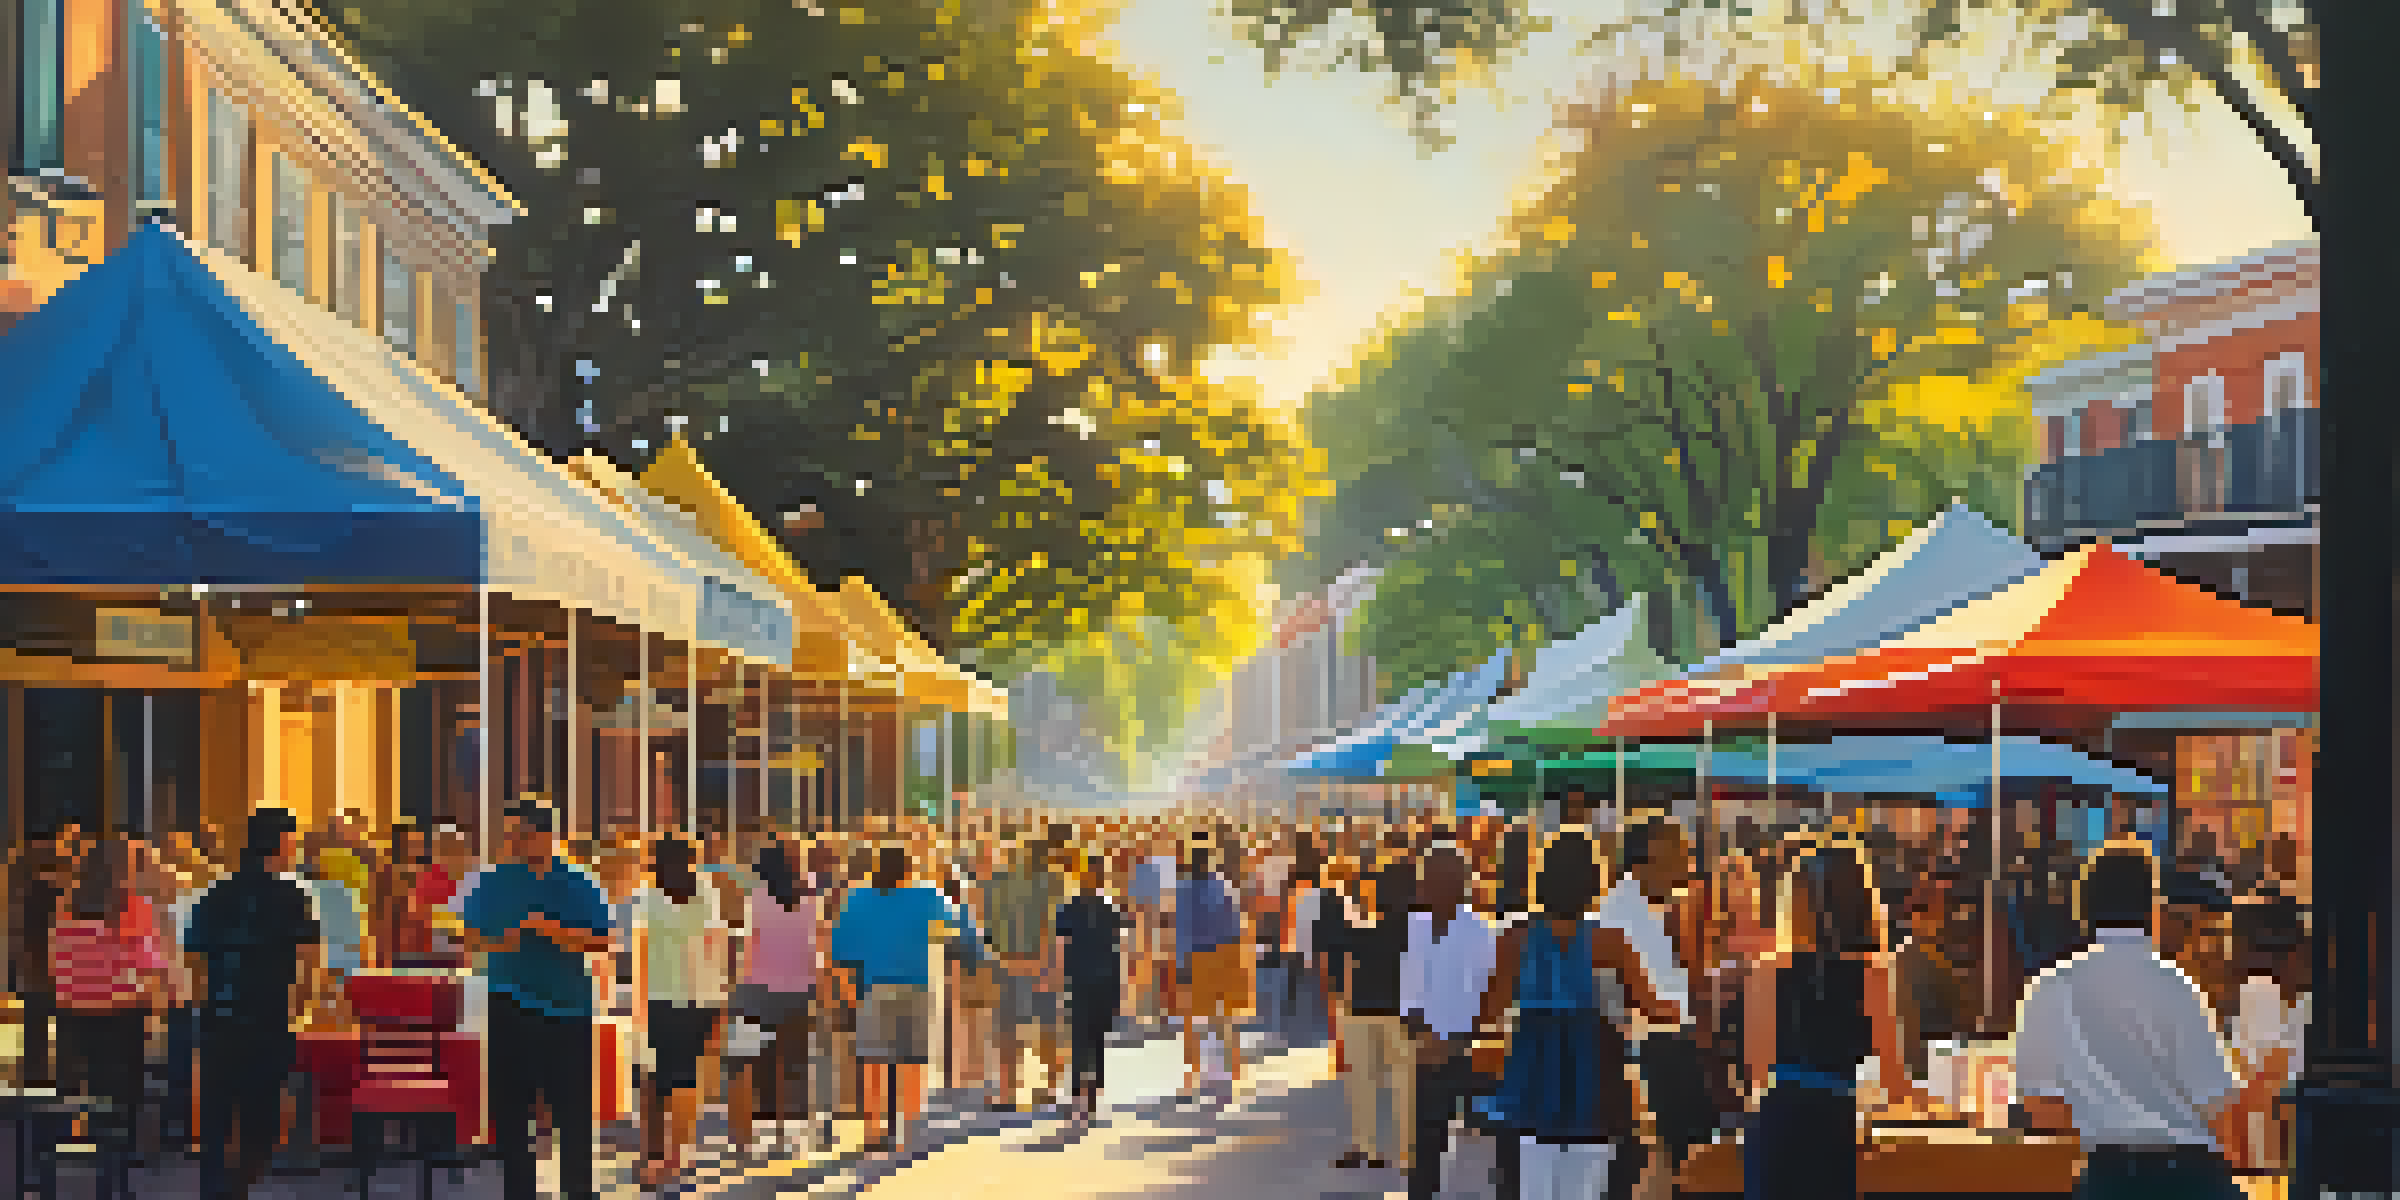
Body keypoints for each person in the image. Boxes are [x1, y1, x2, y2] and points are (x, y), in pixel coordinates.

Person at [2015, 841, 2270, 1199]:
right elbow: (2222, 1106)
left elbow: (2043, 1110)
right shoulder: (2176, 985)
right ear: (2153, 908)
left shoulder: (2047, 989)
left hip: (2100, 1177)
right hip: (2186, 1176)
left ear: (2082, 908)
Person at [1475, 830, 1677, 1200]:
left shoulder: (1515, 938)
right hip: (1594, 1073)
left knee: (1532, 1184)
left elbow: (1489, 1013)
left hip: (1531, 1074)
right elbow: (1656, 1011)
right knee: (1587, 1184)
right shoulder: (1610, 943)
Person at [1740, 835, 1929, 1200]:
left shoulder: (1767, 970)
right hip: (1833, 1120)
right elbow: (1892, 1077)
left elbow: (1757, 1070)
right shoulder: (1870, 974)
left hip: (1776, 1122)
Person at [457, 799, 614, 1200]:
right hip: (509, 1001)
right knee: (512, 1109)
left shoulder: (578, 881)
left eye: (522, 834)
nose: (513, 842)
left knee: (572, 1110)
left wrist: (552, 931)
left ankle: (577, 1191)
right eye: (510, 835)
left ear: (547, 836)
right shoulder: (492, 880)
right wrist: (501, 941)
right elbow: (471, 938)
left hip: (567, 1007)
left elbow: (602, 939)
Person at [182, 809, 322, 1200]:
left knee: (216, 1119)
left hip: (218, 1021)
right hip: (268, 1020)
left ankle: (216, 1191)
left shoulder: (214, 894)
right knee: (260, 1118)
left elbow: (193, 962)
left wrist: (203, 1006)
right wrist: (297, 1008)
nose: (296, 847)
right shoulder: (291, 897)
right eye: (293, 839)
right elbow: (310, 962)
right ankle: (241, 1187)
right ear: (279, 842)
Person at [1595, 819, 1712, 1200]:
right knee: (1679, 1160)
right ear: (1650, 857)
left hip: (1667, 1048)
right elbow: (1625, 998)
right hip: (1653, 1053)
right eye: (1679, 852)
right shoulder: (1622, 912)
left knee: (1688, 1160)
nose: (1688, 861)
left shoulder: (1652, 908)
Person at [828, 843, 953, 1154]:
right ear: (909, 869)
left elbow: (839, 954)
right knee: (911, 1061)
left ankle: (874, 1131)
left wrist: (849, 996)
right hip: (915, 987)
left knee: (873, 1062)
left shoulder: (857, 899)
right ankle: (908, 1132)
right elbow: (948, 933)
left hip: (873, 988)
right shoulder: (925, 896)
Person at [50, 837, 170, 1155]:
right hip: (122, 1008)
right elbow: (150, 962)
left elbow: (57, 959)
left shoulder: (66, 904)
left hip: (73, 1008)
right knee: (122, 1087)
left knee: (80, 1082)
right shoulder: (135, 906)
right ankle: (117, 1155)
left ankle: (72, 1146)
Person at [629, 832, 730, 1184]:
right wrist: (720, 1003)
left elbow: (639, 954)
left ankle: (651, 1161)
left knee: (652, 1084)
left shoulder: (646, 896)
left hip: (655, 999)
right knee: (686, 1079)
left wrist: (637, 1006)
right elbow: (717, 951)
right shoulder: (706, 895)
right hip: (698, 1000)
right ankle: (679, 1156)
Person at [1402, 844, 1500, 1200]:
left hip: (1468, 1052)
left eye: (1430, 879)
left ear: (1457, 885)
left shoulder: (1480, 933)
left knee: (1482, 1148)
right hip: (1425, 1052)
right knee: (1425, 1148)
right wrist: (1419, 1037)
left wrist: (1457, 1043)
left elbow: (1489, 999)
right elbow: (1408, 991)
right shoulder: (1414, 926)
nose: (1421, 886)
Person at [729, 839, 822, 1155]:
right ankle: (788, 1135)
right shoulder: (809, 895)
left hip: (756, 989)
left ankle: (745, 1136)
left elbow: (747, 944)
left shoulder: (756, 897)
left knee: (746, 1061)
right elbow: (817, 941)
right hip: (799, 989)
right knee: (792, 1061)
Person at [1328, 858, 1414, 1170]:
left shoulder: (1366, 929)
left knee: (1365, 1082)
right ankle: (1406, 1153)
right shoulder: (1418, 931)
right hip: (1399, 1015)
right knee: (1405, 1085)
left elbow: (1344, 961)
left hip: (1363, 1011)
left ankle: (1370, 1149)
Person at [987, 834, 1067, 1110]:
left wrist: (998, 958)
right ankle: (1051, 1087)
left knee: (1009, 1031)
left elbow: (990, 925)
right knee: (1047, 1028)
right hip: (1043, 964)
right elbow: (1057, 928)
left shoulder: (1000, 882)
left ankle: (1009, 1093)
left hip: (1008, 962)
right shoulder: (1055, 882)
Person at [1054, 849, 1126, 1126]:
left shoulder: (1069, 907)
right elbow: (1118, 950)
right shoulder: (1110, 908)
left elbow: (1061, 948)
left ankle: (1078, 1097)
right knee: (1096, 1040)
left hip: (1078, 981)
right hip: (1102, 981)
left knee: (1080, 1039)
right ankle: (1091, 1096)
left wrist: (1059, 980)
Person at [1174, 834, 1249, 1098]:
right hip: (1227, 955)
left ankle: (1200, 1074)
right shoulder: (1223, 885)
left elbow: (1182, 931)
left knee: (1199, 1020)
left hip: (1199, 958)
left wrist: (1182, 965)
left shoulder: (1183, 890)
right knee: (1224, 1018)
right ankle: (1229, 1070)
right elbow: (1237, 925)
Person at [10, 837, 71, 1086]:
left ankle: (36, 1075)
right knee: (56, 1024)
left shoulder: (30, 891)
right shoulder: (59, 893)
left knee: (37, 1024)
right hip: (53, 966)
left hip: (41, 966)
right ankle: (60, 1075)